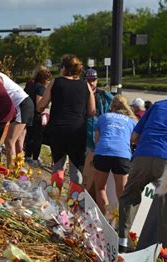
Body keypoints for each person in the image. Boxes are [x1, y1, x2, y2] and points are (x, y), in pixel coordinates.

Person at [118, 80, 167, 253]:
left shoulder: (158, 105)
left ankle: (123, 242)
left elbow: (134, 137)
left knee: (129, 196)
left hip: (142, 156)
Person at [37, 54, 95, 198]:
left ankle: (55, 199)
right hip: (77, 131)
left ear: (63, 68)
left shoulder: (56, 83)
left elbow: (41, 106)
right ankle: (74, 204)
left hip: (58, 130)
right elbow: (92, 111)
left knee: (58, 166)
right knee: (76, 169)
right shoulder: (85, 85)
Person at [0, 56, 34, 167]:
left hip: (21, 105)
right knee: (19, 142)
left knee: (9, 141)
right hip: (26, 103)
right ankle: (20, 171)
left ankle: (11, 172)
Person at [93, 95, 137, 215]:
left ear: (111, 107)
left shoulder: (103, 117)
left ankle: (105, 219)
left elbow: (97, 140)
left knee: (100, 188)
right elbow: (134, 139)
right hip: (122, 155)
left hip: (103, 151)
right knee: (121, 193)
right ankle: (121, 223)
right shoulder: (132, 121)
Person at [82, 68, 114, 199]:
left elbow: (116, 108)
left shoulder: (104, 96)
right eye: (88, 80)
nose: (91, 83)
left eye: (93, 80)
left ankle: (93, 200)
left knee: (98, 176)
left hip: (99, 139)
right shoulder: (80, 94)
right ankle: (80, 199)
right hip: (84, 138)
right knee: (83, 173)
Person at [24, 68, 52, 166]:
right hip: (36, 115)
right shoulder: (41, 88)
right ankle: (35, 159)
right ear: (45, 79)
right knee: (37, 138)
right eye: (48, 80)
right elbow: (39, 104)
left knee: (29, 136)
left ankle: (27, 156)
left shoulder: (30, 85)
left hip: (27, 113)